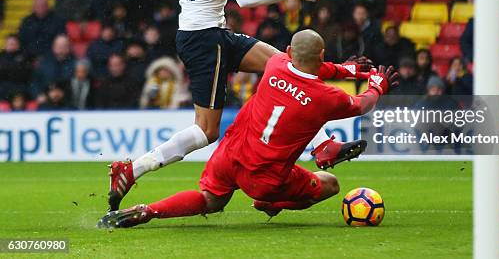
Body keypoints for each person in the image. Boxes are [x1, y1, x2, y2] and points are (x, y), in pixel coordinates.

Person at [108, 0, 368, 211]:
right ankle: (133, 169)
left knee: (288, 64)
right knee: (206, 131)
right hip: (206, 40)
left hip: (210, 34)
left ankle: (323, 146)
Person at [98, 30, 399, 228]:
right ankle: (273, 200)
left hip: (230, 154)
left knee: (210, 200)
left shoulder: (276, 64)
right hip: (266, 178)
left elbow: (310, 63)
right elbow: (361, 105)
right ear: (321, 56)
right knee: (330, 184)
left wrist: (346, 68)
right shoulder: (326, 97)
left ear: (289, 50)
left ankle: (149, 210)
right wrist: (377, 84)